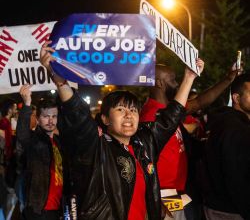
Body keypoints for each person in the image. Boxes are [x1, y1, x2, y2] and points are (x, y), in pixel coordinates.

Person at [40, 41, 204, 220]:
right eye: (120, 109)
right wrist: (60, 80)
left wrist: (189, 77)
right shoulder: (96, 148)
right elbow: (78, 114)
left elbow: (170, 117)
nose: (128, 115)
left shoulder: (144, 142)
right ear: (105, 119)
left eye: (133, 110)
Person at [139, 63, 240, 220]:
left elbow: (199, 102)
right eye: (172, 80)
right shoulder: (152, 115)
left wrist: (228, 79)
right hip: (164, 196)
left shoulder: (168, 109)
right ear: (159, 83)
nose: (177, 84)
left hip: (179, 191)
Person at [203, 73, 250, 220]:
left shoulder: (234, 124)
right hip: (229, 211)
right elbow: (235, 176)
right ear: (236, 98)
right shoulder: (233, 128)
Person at [16, 84, 63, 220]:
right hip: (39, 210)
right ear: (37, 119)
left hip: (60, 208)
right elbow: (22, 134)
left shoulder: (60, 141)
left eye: (54, 116)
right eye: (46, 116)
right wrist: (27, 104)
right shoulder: (33, 140)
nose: (50, 120)